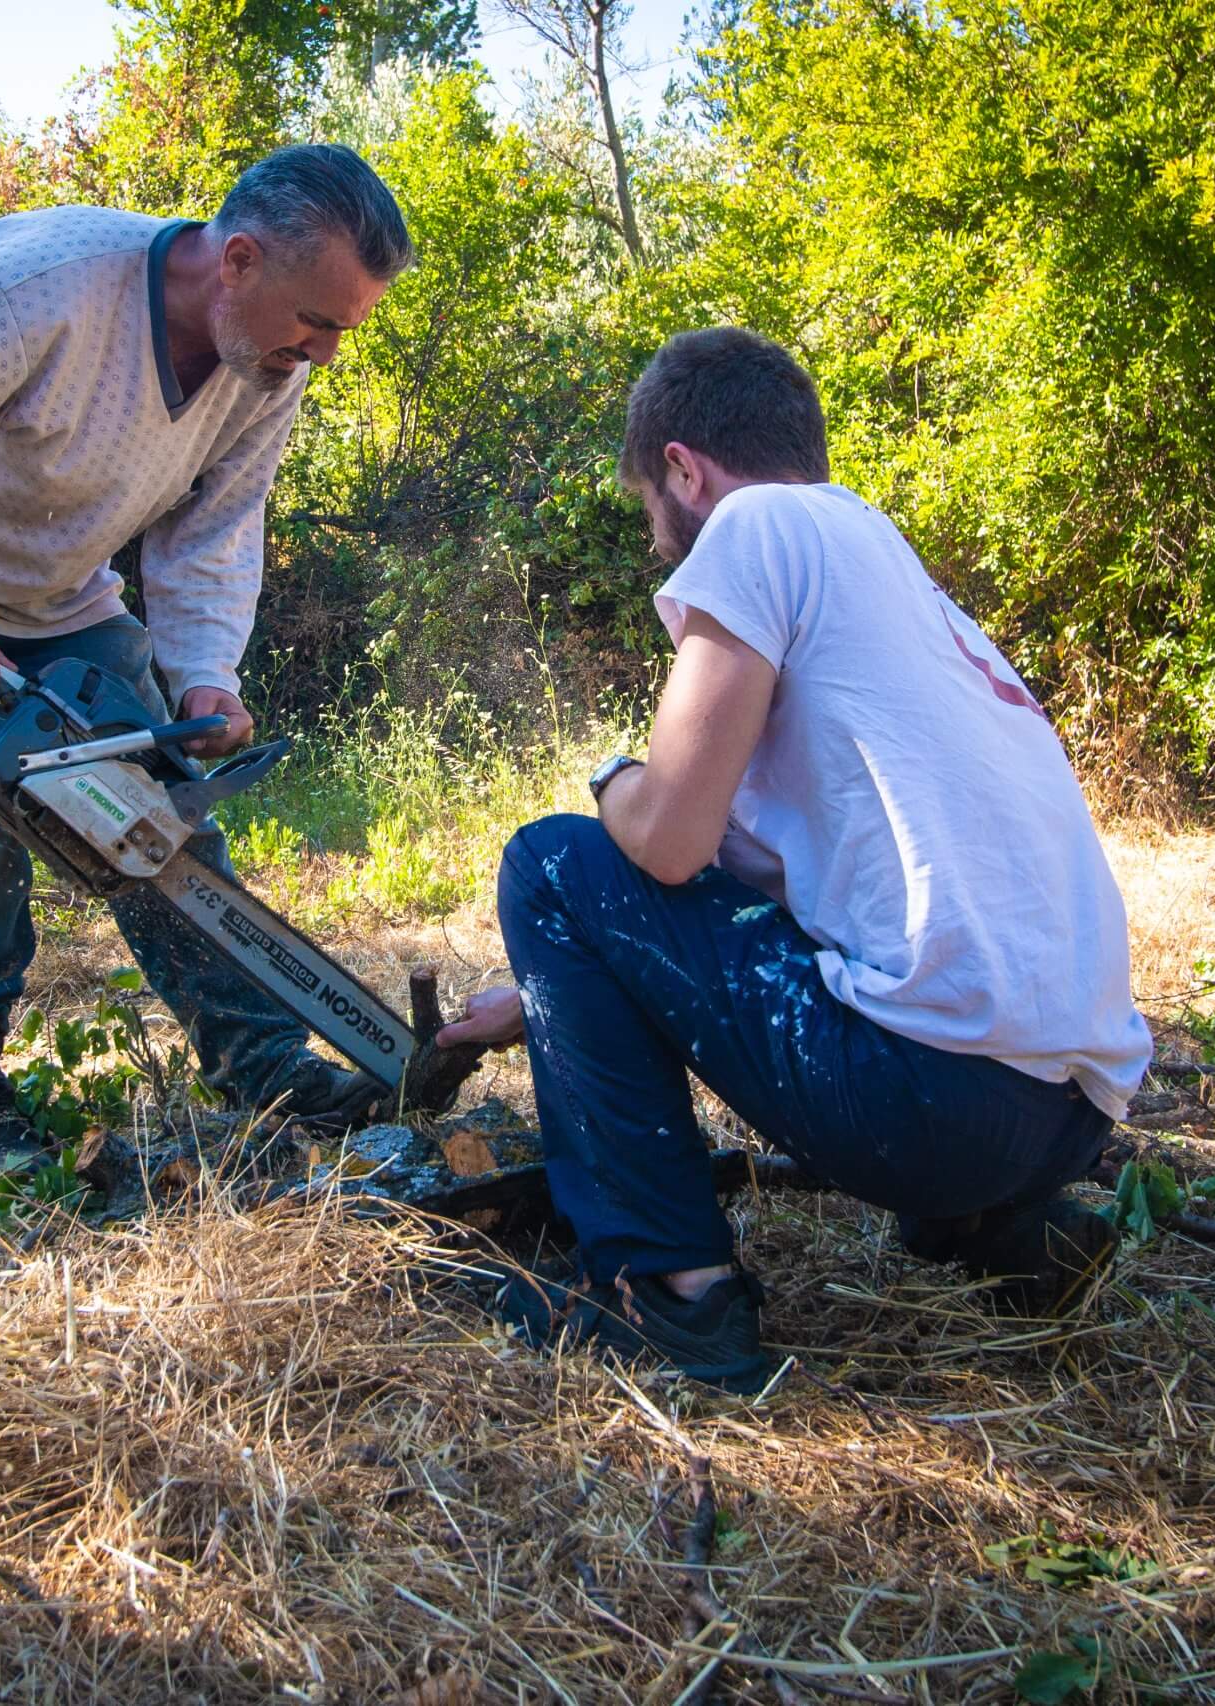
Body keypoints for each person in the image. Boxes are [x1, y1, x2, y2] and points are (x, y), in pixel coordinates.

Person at [438, 327, 1152, 1392]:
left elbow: (666, 841)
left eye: (652, 516)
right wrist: (552, 998)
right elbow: (756, 897)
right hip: (1065, 1114)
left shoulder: (757, 524)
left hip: (931, 1105)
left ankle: (670, 1292)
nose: (662, 549)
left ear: (683, 467)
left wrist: (609, 774)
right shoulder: (885, 567)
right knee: (705, 923)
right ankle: (1004, 1232)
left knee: (549, 861)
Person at [0, 145, 412, 1166]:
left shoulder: (269, 356)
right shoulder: (52, 285)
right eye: (319, 322)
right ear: (239, 260)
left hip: (54, 583)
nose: (327, 352)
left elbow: (214, 525)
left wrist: (207, 671)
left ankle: (263, 1064)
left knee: (161, 819)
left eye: (343, 328)